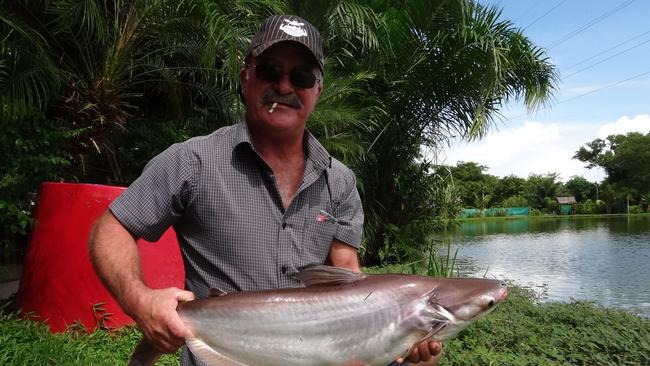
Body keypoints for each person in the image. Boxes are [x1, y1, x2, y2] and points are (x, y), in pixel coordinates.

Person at [88, 14, 442, 366]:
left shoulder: (341, 182)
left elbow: (349, 281)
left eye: (301, 77)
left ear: (318, 90)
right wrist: (141, 301)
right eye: (270, 71)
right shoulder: (192, 162)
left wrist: (398, 340)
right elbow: (111, 229)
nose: (285, 87)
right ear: (246, 78)